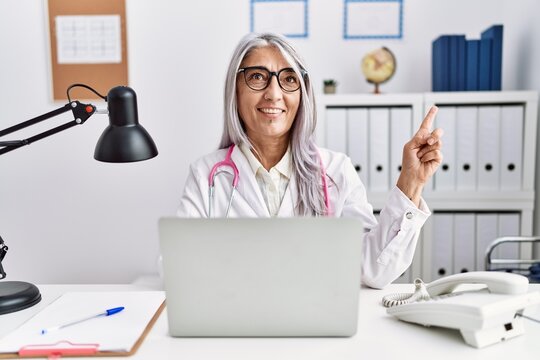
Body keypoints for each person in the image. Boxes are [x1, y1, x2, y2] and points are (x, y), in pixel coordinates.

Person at [177, 32, 443, 288]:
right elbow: (177, 268)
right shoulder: (206, 175)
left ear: (302, 95)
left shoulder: (336, 171)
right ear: (234, 90)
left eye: (289, 79)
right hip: (234, 325)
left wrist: (411, 183)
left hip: (315, 328)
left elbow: (374, 269)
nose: (273, 93)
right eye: (257, 77)